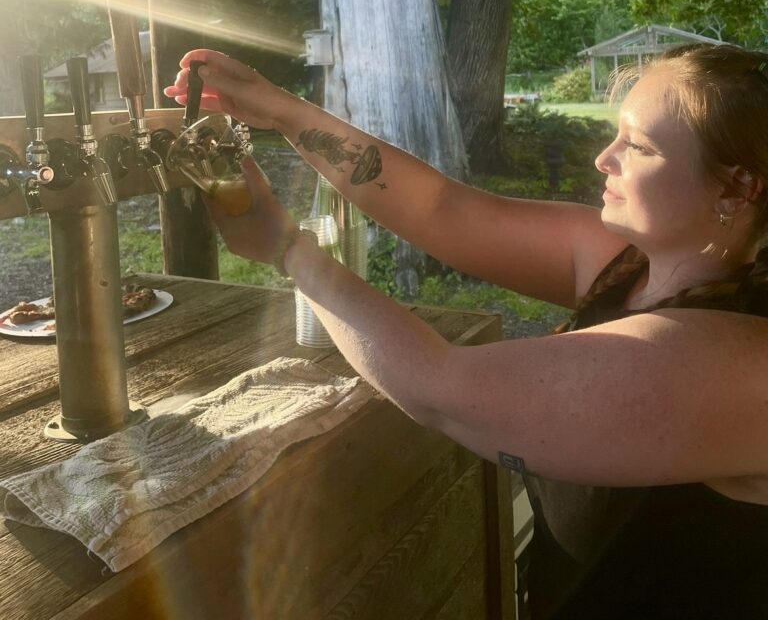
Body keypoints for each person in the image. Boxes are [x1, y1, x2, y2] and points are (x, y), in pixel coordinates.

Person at [165, 42, 768, 619]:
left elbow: (440, 390)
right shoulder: (625, 261)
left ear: (736, 188)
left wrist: (289, 250)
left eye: (637, 146)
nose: (602, 158)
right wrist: (279, 110)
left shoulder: (741, 359)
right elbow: (441, 210)